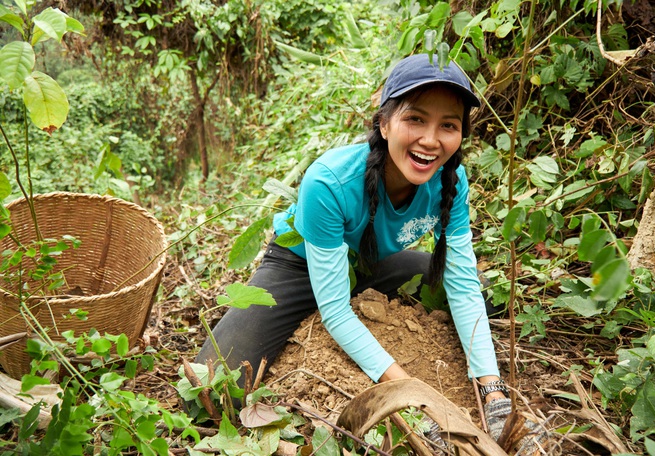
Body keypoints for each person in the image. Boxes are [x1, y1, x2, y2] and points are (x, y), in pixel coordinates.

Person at [195, 53, 542, 452]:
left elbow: (461, 284)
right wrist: (416, 397)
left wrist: (493, 395)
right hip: (301, 264)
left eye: (448, 125)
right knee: (214, 386)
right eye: (415, 119)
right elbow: (337, 311)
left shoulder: (450, 177)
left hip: (368, 263)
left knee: (472, 288)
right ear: (384, 123)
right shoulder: (328, 182)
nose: (431, 140)